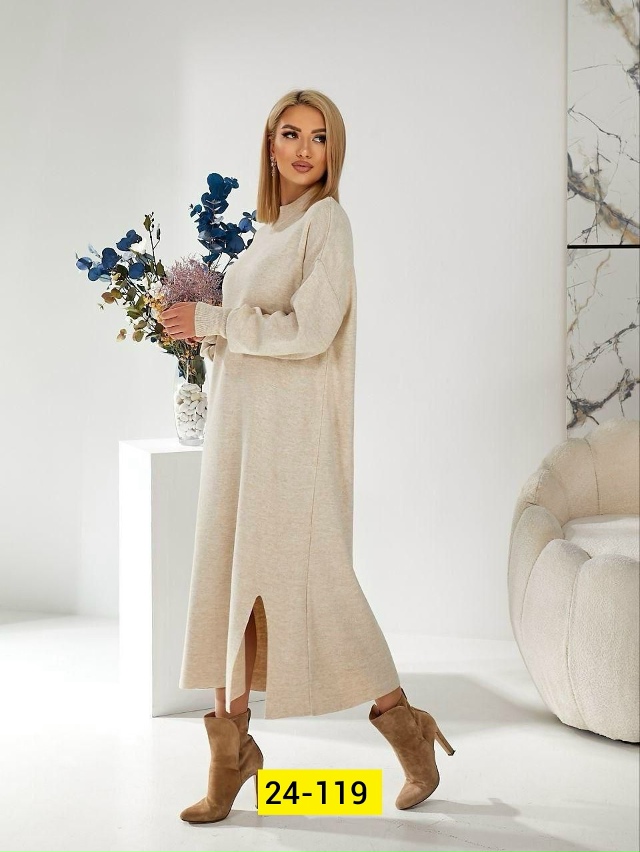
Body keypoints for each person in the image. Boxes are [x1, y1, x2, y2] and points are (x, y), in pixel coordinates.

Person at [159, 88, 455, 825]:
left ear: (333, 151)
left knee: (323, 587)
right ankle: (231, 757)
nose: (303, 150)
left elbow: (313, 329)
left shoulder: (328, 223)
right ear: (270, 145)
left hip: (293, 444)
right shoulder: (269, 230)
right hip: (240, 432)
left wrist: (215, 319)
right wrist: (200, 332)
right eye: (290, 134)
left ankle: (408, 729)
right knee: (227, 581)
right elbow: (251, 330)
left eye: (319, 138)